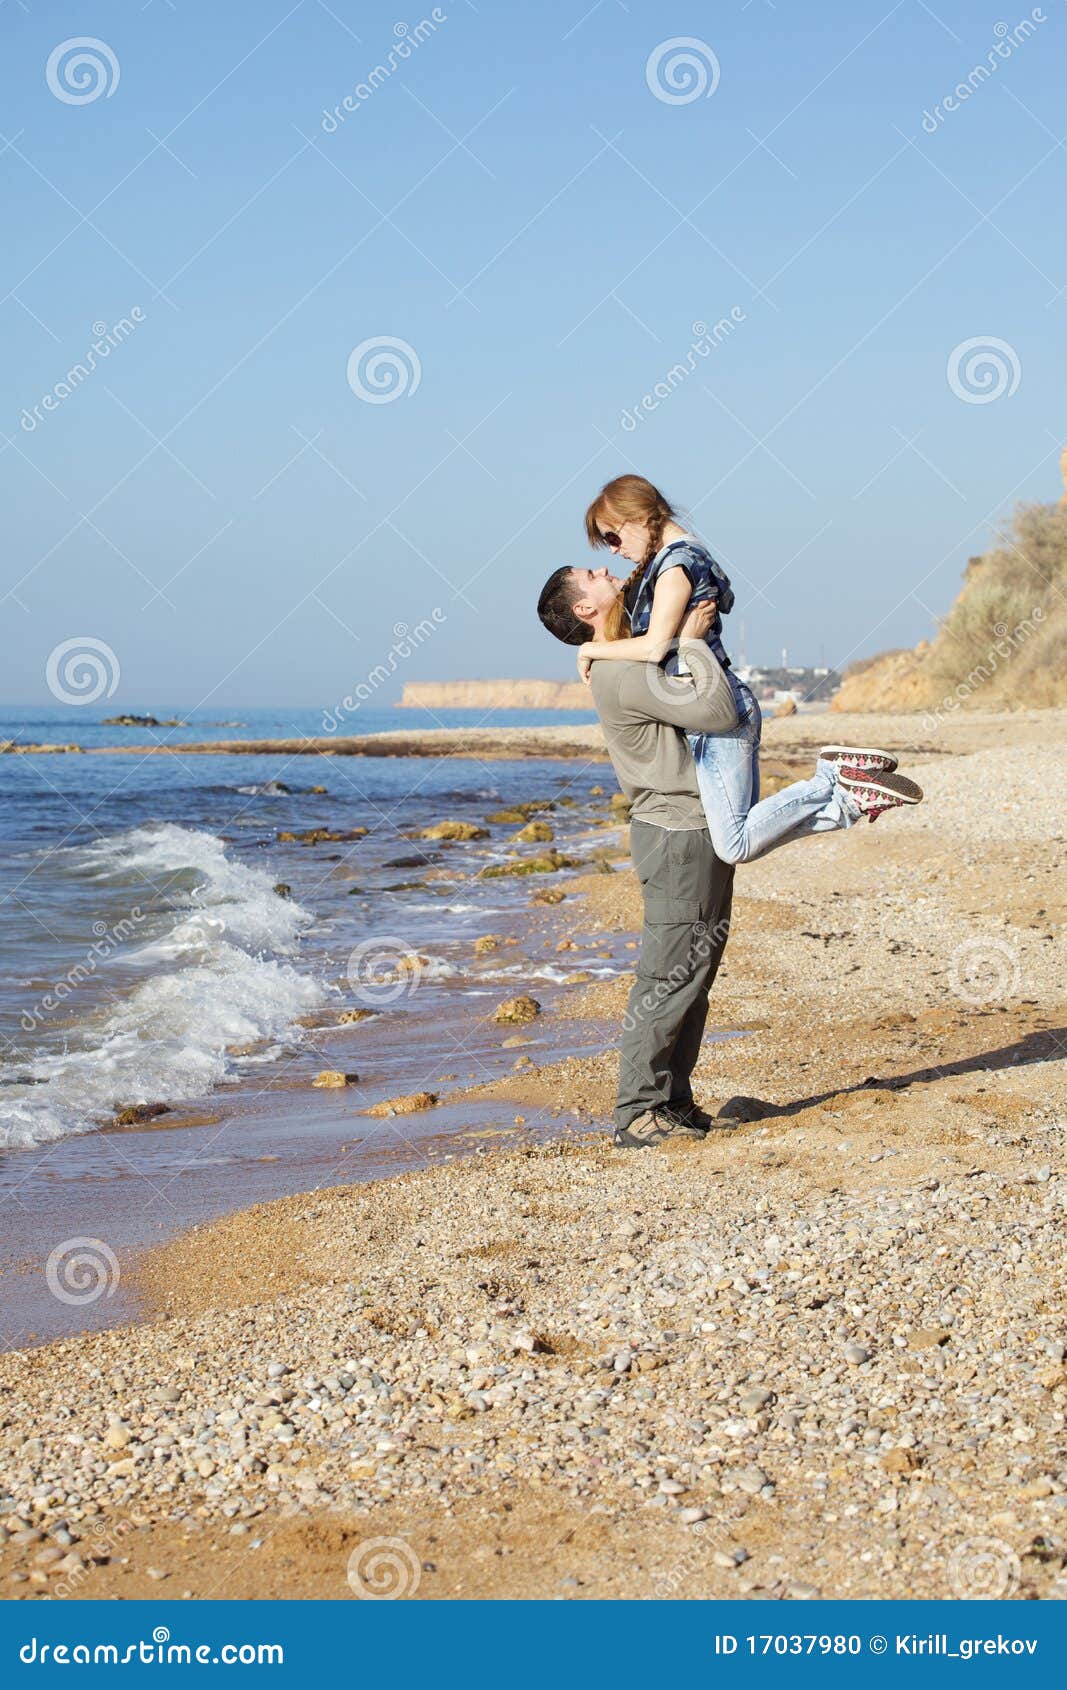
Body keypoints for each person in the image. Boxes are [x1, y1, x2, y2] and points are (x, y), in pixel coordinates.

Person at [573, 474, 924, 862]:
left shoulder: (675, 566)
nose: (613, 551)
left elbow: (656, 647)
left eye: (612, 538)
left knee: (734, 844)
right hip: (717, 705)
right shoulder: (684, 554)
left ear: (636, 517)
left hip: (718, 708)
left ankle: (831, 777)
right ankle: (850, 799)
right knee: (750, 827)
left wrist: (592, 648)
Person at [537, 575, 738, 1147]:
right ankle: (637, 1113)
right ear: (585, 606)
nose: (608, 573)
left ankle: (672, 1101)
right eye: (592, 575)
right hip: (677, 835)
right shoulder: (624, 672)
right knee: (668, 976)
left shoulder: (623, 657)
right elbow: (719, 711)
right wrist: (695, 643)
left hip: (692, 830)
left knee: (693, 974)